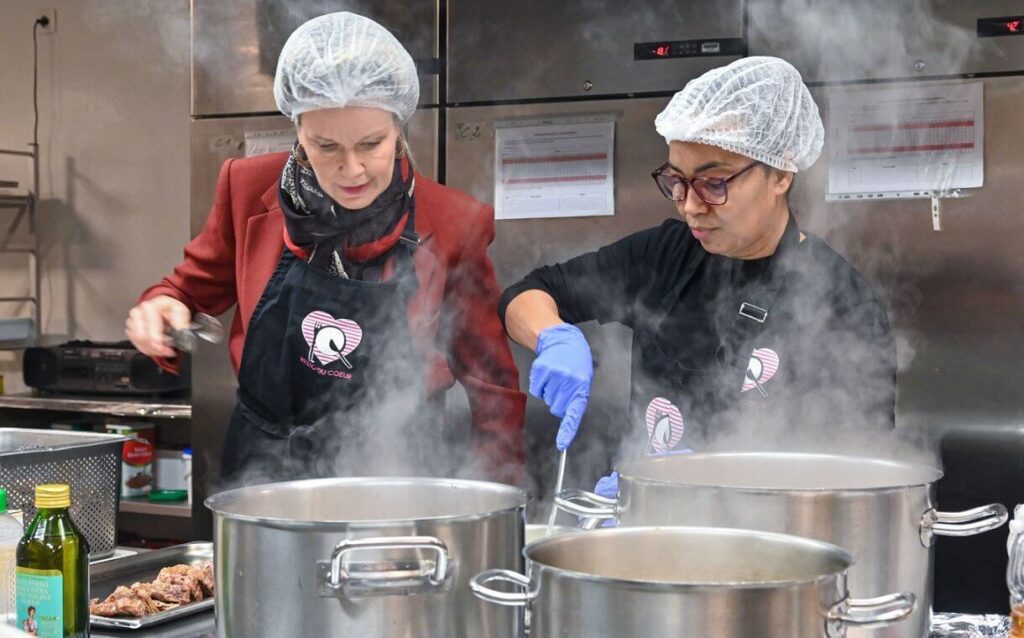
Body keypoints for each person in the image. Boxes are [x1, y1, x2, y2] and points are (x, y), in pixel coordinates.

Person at [126, 12, 524, 482]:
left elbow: (491, 384)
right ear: (297, 130)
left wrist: (499, 497)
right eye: (326, 146)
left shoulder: (455, 222)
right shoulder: (247, 188)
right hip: (265, 467)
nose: (352, 169)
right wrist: (159, 310)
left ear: (399, 128)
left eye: (371, 144)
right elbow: (184, 293)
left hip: (395, 467)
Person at [500, 57, 895, 492]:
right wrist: (553, 336)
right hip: (651, 530)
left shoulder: (842, 303)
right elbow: (532, 291)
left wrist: (705, 489)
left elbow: (855, 478)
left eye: (714, 183)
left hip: (769, 549)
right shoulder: (664, 255)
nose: (689, 206)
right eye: (677, 181)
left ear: (781, 173)